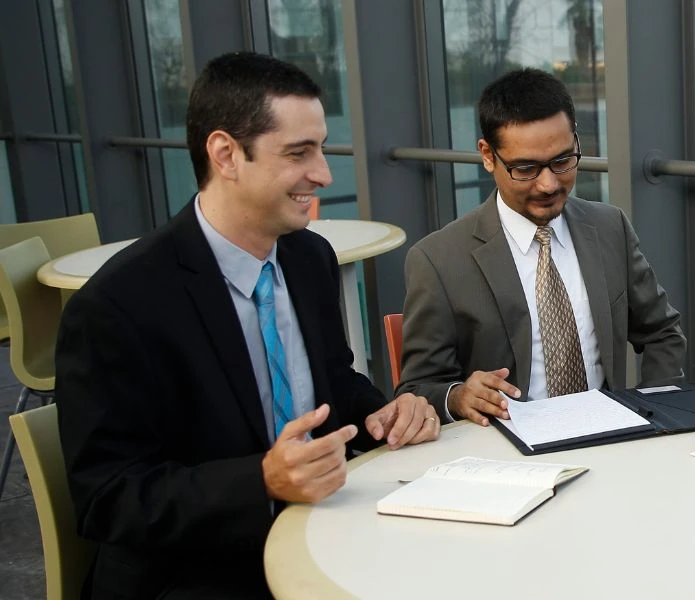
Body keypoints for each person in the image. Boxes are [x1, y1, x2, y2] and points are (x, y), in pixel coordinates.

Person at [55, 52, 440, 598]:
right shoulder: (117, 305)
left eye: (322, 148)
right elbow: (107, 498)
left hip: (325, 528)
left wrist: (383, 410)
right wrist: (260, 481)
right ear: (225, 154)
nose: (325, 174)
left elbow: (333, 378)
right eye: (298, 153)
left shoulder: (309, 260)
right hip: (197, 572)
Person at [399, 68, 686, 426]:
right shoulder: (439, 260)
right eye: (526, 168)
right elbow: (417, 388)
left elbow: (661, 332)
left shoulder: (610, 228)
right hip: (507, 456)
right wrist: (457, 397)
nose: (549, 184)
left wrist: (653, 412)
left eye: (563, 161)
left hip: (611, 441)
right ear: (488, 155)